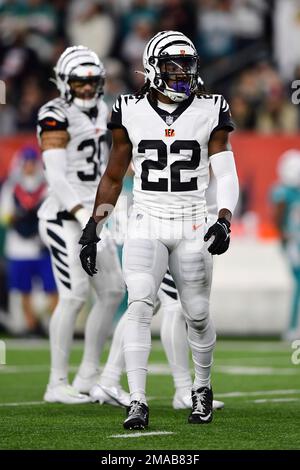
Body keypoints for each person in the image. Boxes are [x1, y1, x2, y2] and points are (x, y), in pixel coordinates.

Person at [79, 31, 239, 429]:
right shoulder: (129, 109)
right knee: (139, 304)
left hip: (192, 221)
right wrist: (93, 225)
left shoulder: (211, 108)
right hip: (146, 219)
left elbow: (226, 170)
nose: (182, 72)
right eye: (172, 65)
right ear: (153, 67)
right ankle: (137, 399)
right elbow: (115, 175)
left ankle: (201, 389)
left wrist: (224, 217)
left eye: (186, 64)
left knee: (197, 313)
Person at [37, 45, 126, 404]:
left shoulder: (105, 109)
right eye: (79, 81)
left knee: (112, 291)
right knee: (73, 294)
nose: (87, 88)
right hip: (64, 217)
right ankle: (56, 383)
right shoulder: (54, 113)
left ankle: (88, 375)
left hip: (94, 216)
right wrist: (83, 219)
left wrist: (100, 218)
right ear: (64, 82)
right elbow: (57, 176)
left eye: (92, 81)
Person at [0, 146, 57, 335]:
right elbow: (5, 216)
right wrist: (20, 216)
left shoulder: (46, 187)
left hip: (41, 244)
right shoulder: (11, 188)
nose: (29, 166)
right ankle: (32, 326)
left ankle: (46, 322)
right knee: (23, 290)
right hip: (19, 246)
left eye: (33, 162)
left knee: (53, 288)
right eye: (27, 162)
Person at [271, 150, 300, 341]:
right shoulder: (282, 192)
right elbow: (278, 220)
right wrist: (286, 239)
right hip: (293, 242)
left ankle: (294, 327)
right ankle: (293, 327)